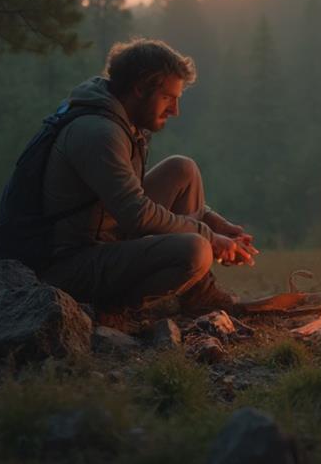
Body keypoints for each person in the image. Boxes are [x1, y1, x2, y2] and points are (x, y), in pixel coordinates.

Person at [33, 38, 257, 319]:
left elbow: (132, 198)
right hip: (70, 264)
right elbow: (136, 214)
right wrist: (209, 237)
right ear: (139, 88)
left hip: (105, 237)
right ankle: (114, 312)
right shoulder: (99, 133)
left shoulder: (119, 119)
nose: (175, 110)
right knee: (196, 249)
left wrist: (215, 222)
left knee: (182, 170)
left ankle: (198, 294)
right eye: (168, 98)